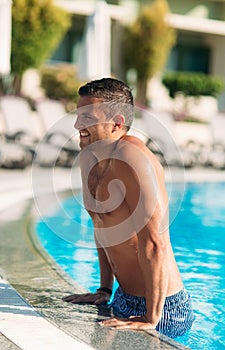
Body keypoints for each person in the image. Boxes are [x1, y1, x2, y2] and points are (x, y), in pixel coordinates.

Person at [62, 78, 194, 338]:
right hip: (122, 298)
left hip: (162, 308)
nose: (78, 125)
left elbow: (154, 242)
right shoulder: (89, 156)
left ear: (117, 123)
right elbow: (101, 225)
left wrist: (151, 317)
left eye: (87, 117)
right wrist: (104, 289)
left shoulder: (134, 158)